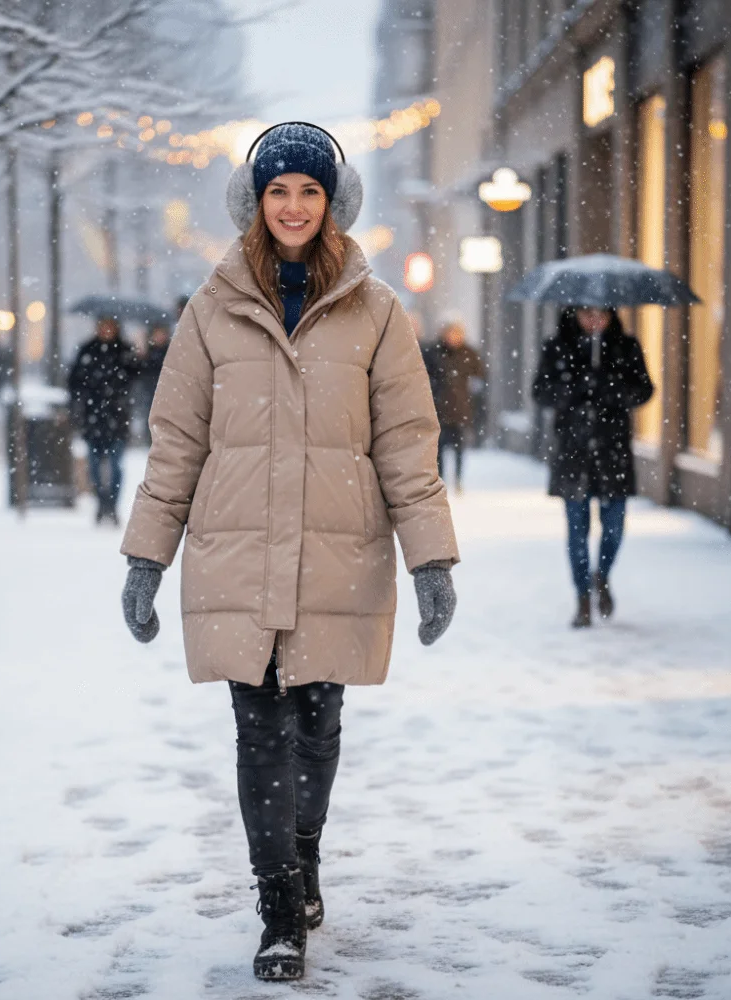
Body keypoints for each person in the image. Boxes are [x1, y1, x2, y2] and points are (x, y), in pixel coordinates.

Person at [118, 123, 460, 981]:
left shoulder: (377, 311)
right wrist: (146, 557)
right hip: (235, 551)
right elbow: (176, 442)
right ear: (256, 202)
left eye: (309, 190)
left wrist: (431, 561)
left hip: (337, 553)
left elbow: (408, 444)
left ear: (331, 202)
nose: (294, 206)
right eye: (279, 191)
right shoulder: (210, 309)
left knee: (317, 727)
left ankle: (303, 855)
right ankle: (278, 907)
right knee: (257, 731)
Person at [532, 307, 654, 628]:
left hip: (613, 451)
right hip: (574, 451)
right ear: (575, 315)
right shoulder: (557, 347)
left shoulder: (625, 347)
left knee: (614, 526)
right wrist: (574, 386)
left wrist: (610, 386)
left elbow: (644, 389)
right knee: (577, 529)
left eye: (600, 313)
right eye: (586, 313)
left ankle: (602, 574)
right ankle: (582, 597)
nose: (594, 320)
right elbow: (540, 391)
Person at [68, 316, 136, 525]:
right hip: (93, 417)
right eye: (103, 325)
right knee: (95, 465)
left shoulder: (124, 351)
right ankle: (102, 503)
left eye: (110, 326)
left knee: (116, 466)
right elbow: (74, 381)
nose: (106, 329)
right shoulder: (87, 350)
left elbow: (136, 376)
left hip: (117, 416)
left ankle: (113, 506)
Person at [421, 317, 485, 492]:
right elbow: (423, 375)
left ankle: (458, 479)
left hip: (461, 408)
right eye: (450, 332)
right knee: (439, 447)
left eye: (456, 333)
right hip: (438, 408)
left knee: (459, 447)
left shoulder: (469, 353)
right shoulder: (433, 352)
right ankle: (440, 479)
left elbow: (480, 376)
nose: (452, 336)